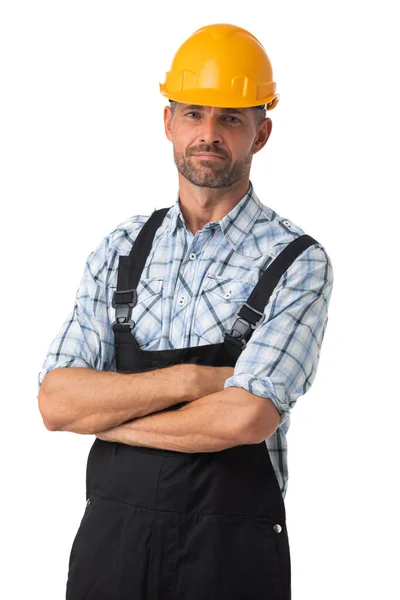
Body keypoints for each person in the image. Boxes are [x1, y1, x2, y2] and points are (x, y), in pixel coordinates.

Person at [37, 23, 334, 600]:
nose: (209, 133)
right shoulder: (121, 248)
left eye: (231, 117)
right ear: (168, 122)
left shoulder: (298, 262)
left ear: (261, 132)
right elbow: (57, 402)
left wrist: (111, 421)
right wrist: (194, 381)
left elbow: (244, 419)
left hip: (229, 560)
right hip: (111, 553)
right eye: (194, 113)